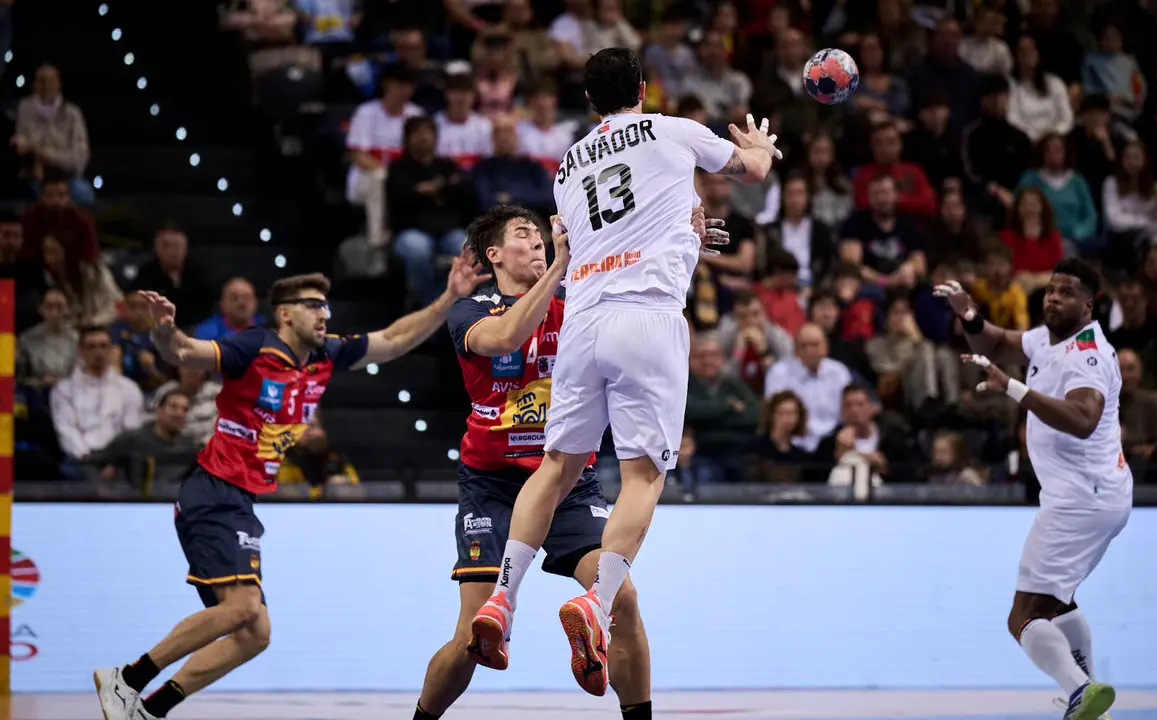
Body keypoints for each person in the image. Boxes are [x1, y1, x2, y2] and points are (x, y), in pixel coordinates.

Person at [467, 47, 777, 703]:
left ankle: (500, 601)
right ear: (644, 87)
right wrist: (761, 150)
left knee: (557, 467)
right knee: (642, 474)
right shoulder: (672, 129)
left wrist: (690, 234)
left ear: (587, 103)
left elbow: (607, 238)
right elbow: (746, 171)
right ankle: (597, 603)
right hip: (647, 320)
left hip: (581, 322)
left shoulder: (567, 166)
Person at [92, 258, 489, 720]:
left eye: (326, 306)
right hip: (213, 491)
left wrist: (448, 297)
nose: (324, 314)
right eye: (312, 306)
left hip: (239, 500)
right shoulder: (253, 347)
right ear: (284, 313)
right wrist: (163, 330)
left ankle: (151, 708)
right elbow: (183, 352)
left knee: (255, 633)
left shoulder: (325, 354)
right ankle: (127, 679)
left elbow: (396, 338)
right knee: (242, 609)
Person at [417, 203, 713, 720]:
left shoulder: (579, 299)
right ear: (494, 254)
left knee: (622, 600)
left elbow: (635, 288)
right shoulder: (471, 308)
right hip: (493, 485)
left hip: (569, 481)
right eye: (523, 235)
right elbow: (504, 338)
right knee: (471, 633)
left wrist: (680, 242)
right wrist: (559, 265)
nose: (535, 240)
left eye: (540, 234)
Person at [934, 258, 1128, 720]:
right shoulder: (1046, 338)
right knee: (1058, 601)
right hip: (1098, 496)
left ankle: (1080, 690)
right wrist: (970, 316)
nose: (1053, 298)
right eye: (1050, 289)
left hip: (1081, 500)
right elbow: (996, 342)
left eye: (1065, 292)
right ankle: (1088, 691)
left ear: (1089, 304)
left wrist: (1015, 389)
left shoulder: (1088, 355)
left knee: (1023, 618)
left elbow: (1083, 420)